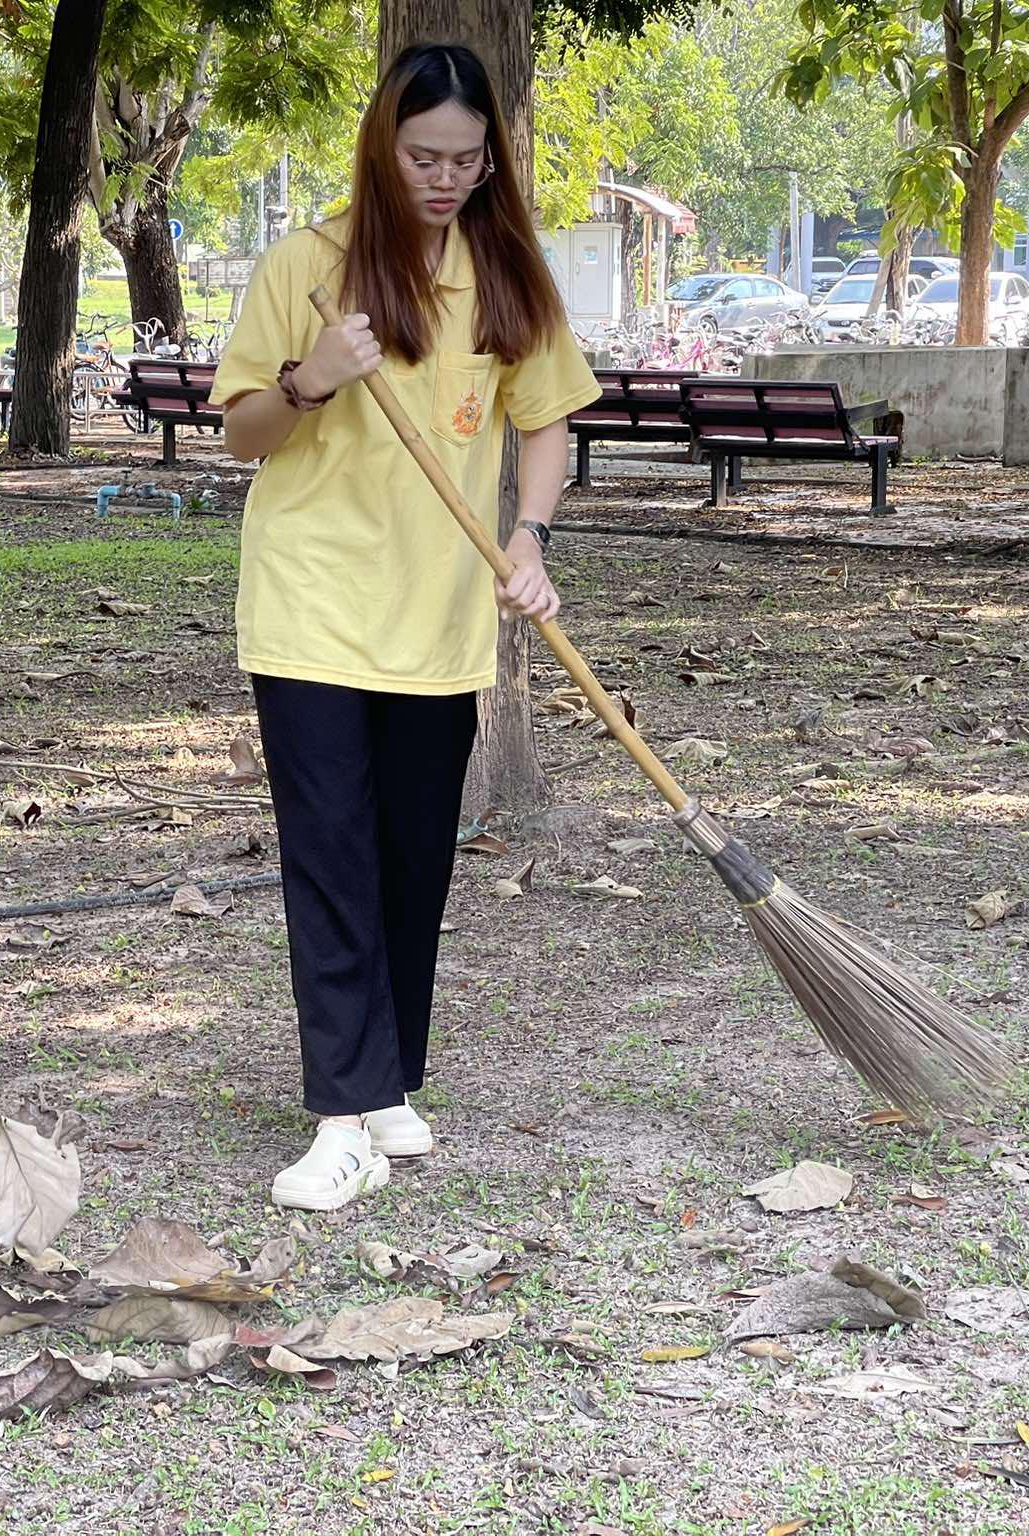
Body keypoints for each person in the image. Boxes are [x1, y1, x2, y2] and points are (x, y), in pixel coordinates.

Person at [210, 41, 600, 1212]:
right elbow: (241, 434)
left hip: (435, 618)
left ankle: (385, 1083)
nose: (443, 178)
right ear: (383, 145)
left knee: (411, 856)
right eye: (423, 155)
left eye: (466, 160)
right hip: (311, 606)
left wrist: (527, 538)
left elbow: (544, 426)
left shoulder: (504, 271)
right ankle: (341, 1114)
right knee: (330, 854)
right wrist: (311, 375)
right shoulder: (308, 265)